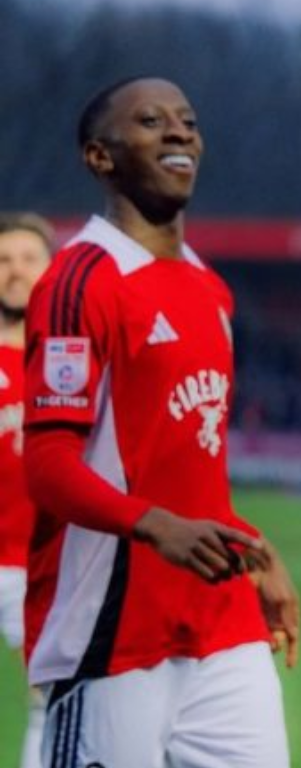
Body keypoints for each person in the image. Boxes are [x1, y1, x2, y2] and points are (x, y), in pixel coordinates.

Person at [21, 76, 300, 768]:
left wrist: (256, 552)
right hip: (112, 631)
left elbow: (191, 461)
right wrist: (154, 525)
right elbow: (49, 469)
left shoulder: (211, 288)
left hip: (221, 626)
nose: (179, 132)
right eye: (150, 122)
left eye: (188, 121)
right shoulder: (79, 280)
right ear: (100, 157)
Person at [0, 212, 53, 768]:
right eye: (3, 261)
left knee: (48, 703)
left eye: (27, 259)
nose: (15, 272)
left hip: (39, 566)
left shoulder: (72, 361)